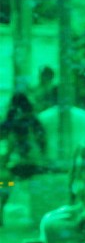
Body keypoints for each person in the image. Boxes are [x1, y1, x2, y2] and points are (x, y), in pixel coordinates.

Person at [0, 93, 49, 225]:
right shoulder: (35, 121)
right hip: (38, 166)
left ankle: (1, 208)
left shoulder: (13, 122)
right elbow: (42, 144)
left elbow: (10, 146)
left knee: (4, 181)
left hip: (20, 166)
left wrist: (4, 163)